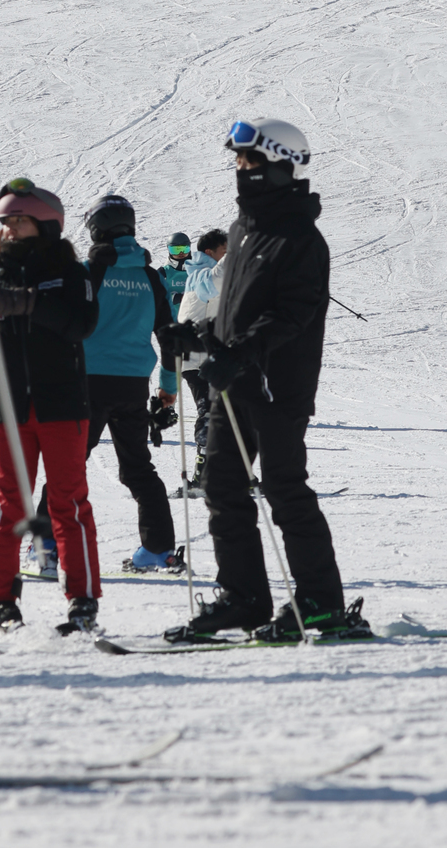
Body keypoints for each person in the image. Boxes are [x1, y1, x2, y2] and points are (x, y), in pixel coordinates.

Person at [161, 120, 368, 642]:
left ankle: (320, 600)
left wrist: (240, 352)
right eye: (238, 162)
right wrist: (198, 334)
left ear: (281, 166)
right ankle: (244, 596)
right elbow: (236, 311)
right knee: (222, 486)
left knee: (282, 487)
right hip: (237, 381)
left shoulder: (299, 236)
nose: (241, 171)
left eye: (250, 162)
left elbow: (292, 313)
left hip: (277, 383)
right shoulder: (244, 231)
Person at [0, 182, 101, 632]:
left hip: (62, 405)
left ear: (46, 223)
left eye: (19, 220)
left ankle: (82, 597)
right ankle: (0, 598)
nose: (11, 230)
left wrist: (31, 303)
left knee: (68, 503)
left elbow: (82, 324)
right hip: (12, 410)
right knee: (11, 504)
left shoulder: (72, 273)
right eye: (6, 223)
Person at [81, 195, 179, 570]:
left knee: (69, 468)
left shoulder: (90, 270)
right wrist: (168, 387)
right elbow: (167, 334)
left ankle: (47, 547)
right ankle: (157, 549)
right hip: (134, 385)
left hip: (89, 383)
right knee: (138, 468)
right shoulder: (151, 275)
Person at [172, 231, 228, 494]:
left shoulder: (205, 274)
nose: (227, 256)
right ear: (210, 253)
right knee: (210, 415)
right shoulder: (200, 276)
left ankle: (229, 476)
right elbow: (218, 279)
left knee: (227, 417)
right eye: (224, 251)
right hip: (197, 360)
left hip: (212, 359)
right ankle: (202, 478)